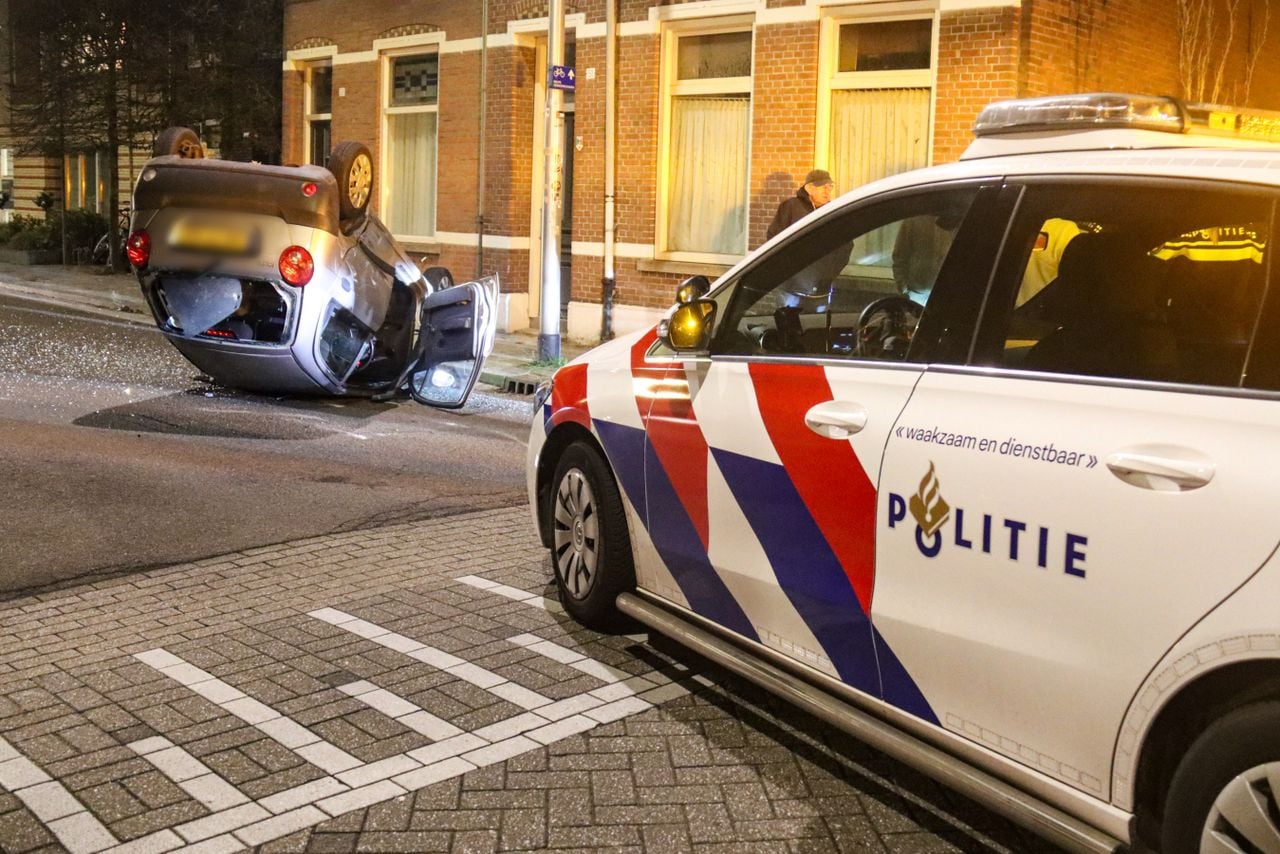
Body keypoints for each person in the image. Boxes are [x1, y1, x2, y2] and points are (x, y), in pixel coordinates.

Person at [766, 169, 835, 240]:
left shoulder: (831, 210)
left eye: (830, 187)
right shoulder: (791, 206)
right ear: (809, 189)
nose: (827, 192)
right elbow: (775, 237)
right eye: (824, 187)